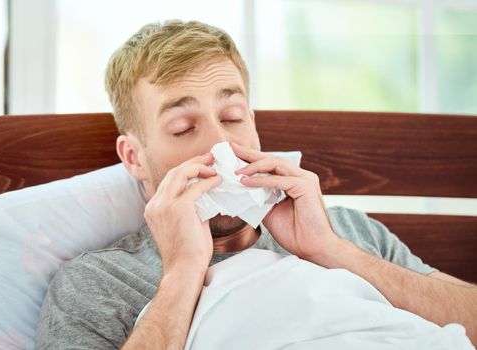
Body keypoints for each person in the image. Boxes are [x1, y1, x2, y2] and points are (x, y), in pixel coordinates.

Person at [35, 20, 476, 349]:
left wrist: (331, 251)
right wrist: (184, 270)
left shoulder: (349, 232)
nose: (221, 143)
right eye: (183, 126)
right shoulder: (96, 282)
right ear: (134, 157)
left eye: (232, 118)